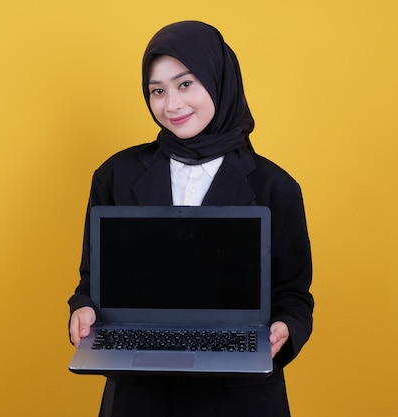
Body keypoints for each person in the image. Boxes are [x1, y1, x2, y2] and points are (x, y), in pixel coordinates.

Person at [68, 20, 313, 417]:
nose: (172, 105)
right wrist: (82, 309)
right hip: (141, 393)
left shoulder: (276, 188)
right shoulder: (116, 175)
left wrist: (287, 326)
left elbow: (294, 296)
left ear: (218, 80)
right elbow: (92, 282)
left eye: (185, 84)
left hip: (241, 395)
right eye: (157, 90)